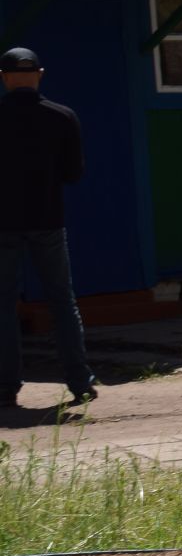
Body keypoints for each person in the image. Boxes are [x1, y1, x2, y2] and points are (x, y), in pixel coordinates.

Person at [0, 46, 96, 411]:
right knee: (61, 301)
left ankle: (6, 387)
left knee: (3, 306)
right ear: (39, 74)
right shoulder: (62, 116)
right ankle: (79, 380)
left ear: (4, 78)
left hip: (3, 224)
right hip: (48, 220)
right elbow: (74, 174)